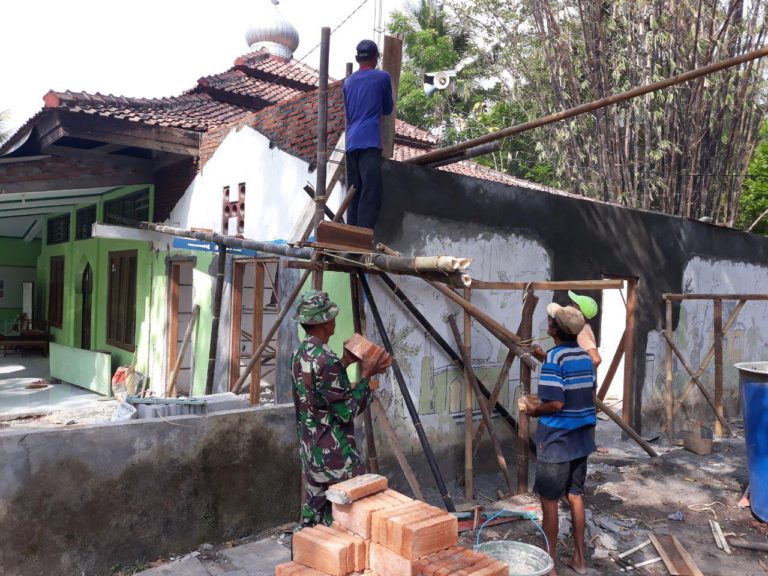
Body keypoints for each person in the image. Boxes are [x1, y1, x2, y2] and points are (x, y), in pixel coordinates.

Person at [290, 290, 382, 527]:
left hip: (310, 450)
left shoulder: (301, 354)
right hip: (335, 456)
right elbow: (346, 411)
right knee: (345, 518)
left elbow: (320, 392)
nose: (334, 321)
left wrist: (345, 363)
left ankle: (304, 555)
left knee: (313, 515)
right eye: (331, 317)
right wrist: (367, 379)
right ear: (323, 322)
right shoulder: (326, 360)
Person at [522, 302, 596, 576]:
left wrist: (533, 410)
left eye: (549, 321)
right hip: (582, 438)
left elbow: (555, 404)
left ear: (553, 329)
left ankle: (549, 565)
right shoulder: (584, 357)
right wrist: (545, 357)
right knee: (575, 496)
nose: (547, 324)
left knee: (549, 501)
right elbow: (583, 392)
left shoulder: (554, 359)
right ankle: (580, 560)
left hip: (557, 440)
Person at [343, 39, 394, 229]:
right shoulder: (382, 77)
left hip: (351, 143)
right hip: (370, 141)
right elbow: (388, 108)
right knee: (371, 192)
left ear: (357, 59)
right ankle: (363, 239)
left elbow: (349, 115)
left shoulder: (348, 83)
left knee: (354, 192)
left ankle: (351, 237)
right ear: (375, 58)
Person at [568, 290, 602, 369]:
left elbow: (596, 359)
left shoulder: (582, 330)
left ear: (580, 312)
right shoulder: (578, 328)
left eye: (573, 304)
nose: (569, 305)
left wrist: (581, 377)